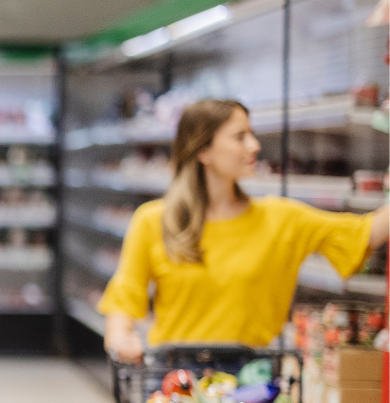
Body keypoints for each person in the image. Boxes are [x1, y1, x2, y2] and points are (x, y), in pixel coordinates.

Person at [101, 99, 390, 362]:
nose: (254, 145)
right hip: (176, 377)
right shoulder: (154, 221)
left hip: (255, 379)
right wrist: (119, 337)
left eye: (251, 134)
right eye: (240, 137)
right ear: (203, 150)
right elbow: (125, 295)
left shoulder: (282, 219)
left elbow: (364, 232)